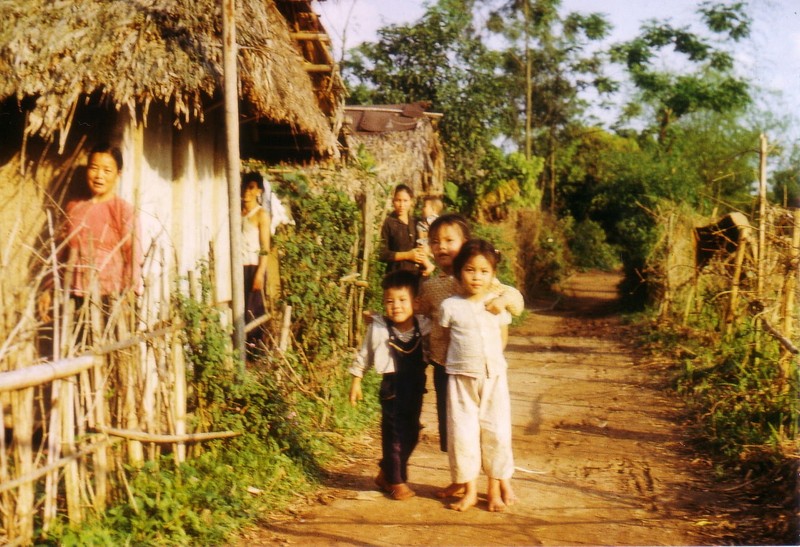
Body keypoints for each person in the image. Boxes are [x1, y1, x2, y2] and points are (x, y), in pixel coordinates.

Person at [414, 213, 523, 502]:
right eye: (435, 241)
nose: (441, 247)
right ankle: (462, 480)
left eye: (450, 240)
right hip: (446, 366)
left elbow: (515, 299)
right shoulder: (432, 286)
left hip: (483, 367)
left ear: (465, 242)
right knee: (456, 428)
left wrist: (502, 301)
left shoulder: (482, 277)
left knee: (492, 427)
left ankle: (500, 482)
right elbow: (421, 312)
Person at [440, 239, 515, 512]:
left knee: (496, 431)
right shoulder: (451, 306)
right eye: (470, 270)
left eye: (484, 271)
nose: (477, 276)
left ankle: (493, 490)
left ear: (493, 275)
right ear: (460, 272)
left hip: (494, 377)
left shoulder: (497, 305)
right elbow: (445, 337)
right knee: (463, 433)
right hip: (460, 377)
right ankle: (470, 490)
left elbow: (502, 339)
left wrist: (490, 362)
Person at [38, 142, 142, 334]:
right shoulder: (73, 207)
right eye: (94, 168)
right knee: (75, 353)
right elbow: (60, 252)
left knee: (111, 355)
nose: (99, 176)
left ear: (118, 174)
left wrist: (129, 294)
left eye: (107, 170)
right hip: (74, 295)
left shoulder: (123, 210)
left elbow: (133, 255)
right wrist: (48, 288)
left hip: (110, 297)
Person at [349, 270, 430, 501]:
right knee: (394, 434)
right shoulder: (379, 328)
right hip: (392, 388)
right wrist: (357, 380)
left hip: (415, 387)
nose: (396, 306)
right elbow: (365, 355)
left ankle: (386, 472)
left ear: (415, 302)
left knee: (412, 433)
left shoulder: (423, 325)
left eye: (402, 300)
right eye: (389, 301)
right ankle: (397, 481)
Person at [241, 172, 271, 357]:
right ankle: (243, 349)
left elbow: (265, 247)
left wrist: (260, 272)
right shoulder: (237, 212)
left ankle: (257, 353)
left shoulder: (261, 215)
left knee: (254, 310)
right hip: (238, 267)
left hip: (253, 267)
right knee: (240, 309)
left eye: (251, 187)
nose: (247, 191)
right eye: (245, 186)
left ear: (258, 190)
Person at [379, 184, 432, 276]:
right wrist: (407, 255)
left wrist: (427, 249)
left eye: (405, 201)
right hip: (397, 275)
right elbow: (383, 254)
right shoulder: (389, 223)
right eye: (398, 200)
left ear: (411, 202)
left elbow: (430, 241)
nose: (401, 205)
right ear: (393, 201)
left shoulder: (416, 222)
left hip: (419, 275)